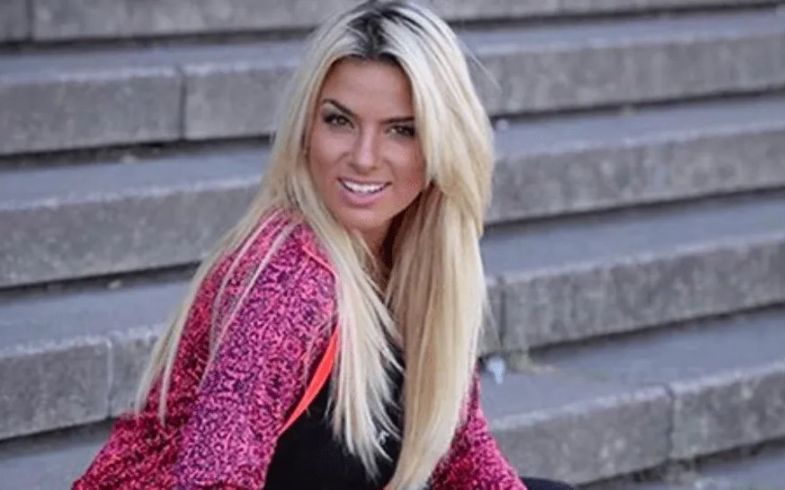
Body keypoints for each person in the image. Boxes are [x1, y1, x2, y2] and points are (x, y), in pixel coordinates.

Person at [74, 1, 573, 489]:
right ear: (306, 129)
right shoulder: (287, 280)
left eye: (402, 130)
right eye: (339, 120)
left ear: (443, 144)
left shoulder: (421, 266)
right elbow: (215, 479)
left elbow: (460, 455)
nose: (364, 157)